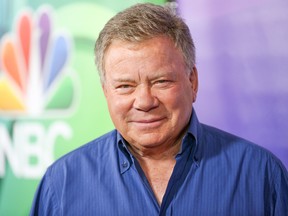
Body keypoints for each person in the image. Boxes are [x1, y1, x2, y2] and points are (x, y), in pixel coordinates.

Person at [30, 3, 288, 215]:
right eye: (125, 86)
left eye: (161, 81)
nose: (144, 101)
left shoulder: (262, 176)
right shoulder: (61, 184)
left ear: (192, 81)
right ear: (105, 92)